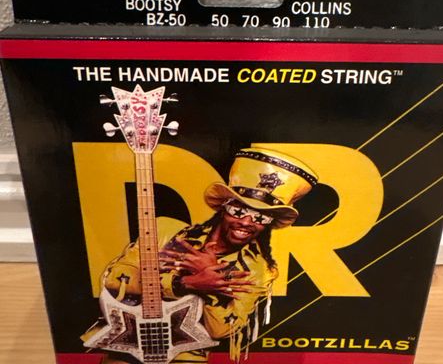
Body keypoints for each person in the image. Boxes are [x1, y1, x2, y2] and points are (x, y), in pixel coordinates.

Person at [91, 147, 318, 364]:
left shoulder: (258, 270)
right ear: (223, 208)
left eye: (261, 218)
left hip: (187, 349)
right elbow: (114, 280)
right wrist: (184, 283)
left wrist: (213, 288)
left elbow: (221, 330)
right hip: (130, 336)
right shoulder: (165, 231)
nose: (247, 222)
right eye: (238, 211)